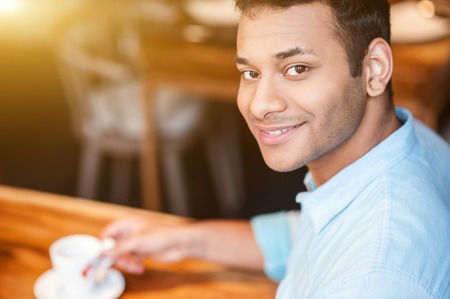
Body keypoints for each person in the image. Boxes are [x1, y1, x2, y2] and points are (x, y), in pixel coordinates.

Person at [101, 0, 450, 297]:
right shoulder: (401, 143)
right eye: (250, 73)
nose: (259, 105)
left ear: (374, 68)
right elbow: (306, 236)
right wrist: (179, 240)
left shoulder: (374, 279)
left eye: (296, 69)